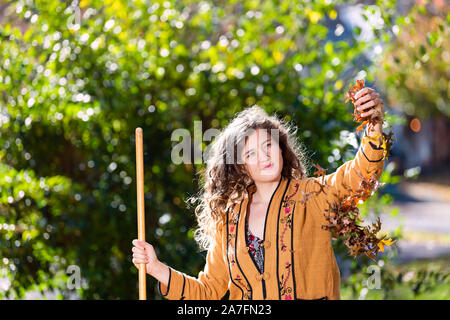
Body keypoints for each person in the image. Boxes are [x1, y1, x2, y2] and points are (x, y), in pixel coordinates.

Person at [132, 87, 386, 300]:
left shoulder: (313, 195)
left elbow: (360, 176)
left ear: (281, 147)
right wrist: (156, 268)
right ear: (241, 167)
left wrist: (372, 125)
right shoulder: (229, 219)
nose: (264, 156)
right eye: (251, 153)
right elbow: (208, 291)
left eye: (268, 145)